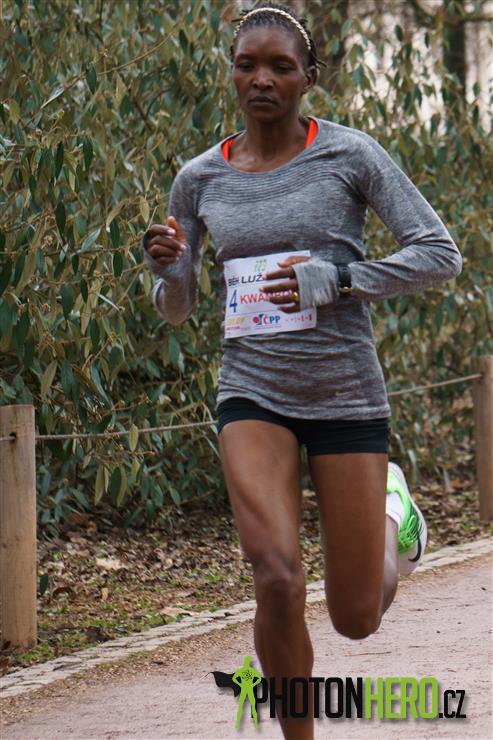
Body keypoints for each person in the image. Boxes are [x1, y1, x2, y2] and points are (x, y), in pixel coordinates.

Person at [142, 4, 462, 738]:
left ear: (308, 78)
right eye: (247, 65)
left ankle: (395, 517)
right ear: (232, 75)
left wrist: (341, 280)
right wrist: (169, 269)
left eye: (280, 67)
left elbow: (438, 253)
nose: (262, 79)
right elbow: (177, 309)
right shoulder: (198, 179)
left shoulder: (350, 155)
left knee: (356, 617)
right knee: (278, 578)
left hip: (345, 391)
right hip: (252, 391)